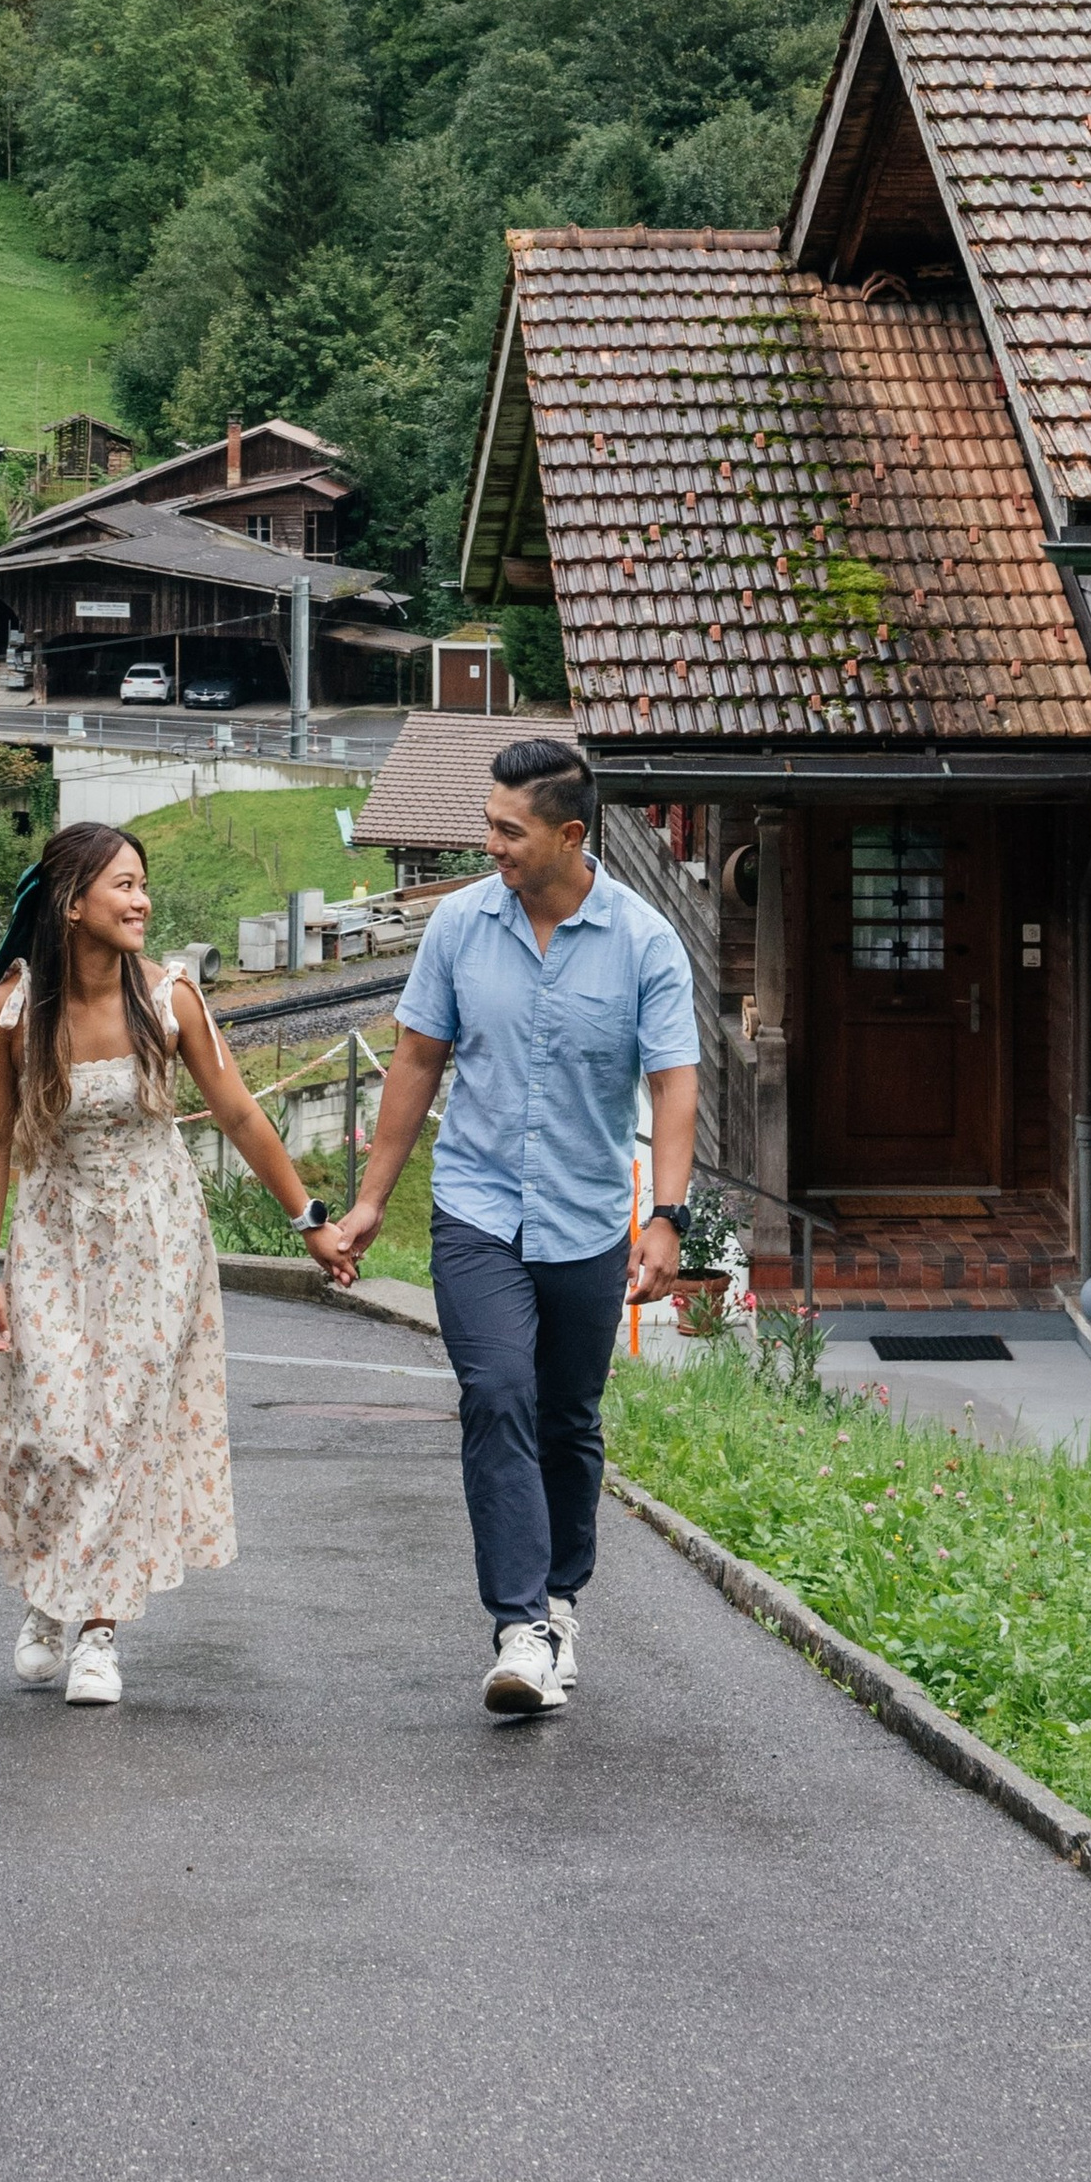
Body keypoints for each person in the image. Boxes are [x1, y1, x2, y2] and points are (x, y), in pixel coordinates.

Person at [326, 732, 700, 1718]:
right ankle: (519, 1624)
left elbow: (673, 1085)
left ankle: (560, 1599)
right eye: (485, 823)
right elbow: (414, 1062)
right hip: (477, 1212)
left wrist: (667, 1219)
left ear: (568, 835)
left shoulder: (642, 942)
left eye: (506, 829)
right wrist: (369, 1201)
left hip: (584, 1221)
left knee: (568, 1419)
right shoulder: (457, 927)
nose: (487, 843)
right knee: (496, 1393)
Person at [0, 819, 356, 1706]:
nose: (143, 902)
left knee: (123, 1431)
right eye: (124, 886)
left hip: (156, 1239)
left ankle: (98, 1628)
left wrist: (311, 1221)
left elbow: (244, 1117)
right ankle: (48, 1592)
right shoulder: (11, 1013)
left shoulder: (171, 999)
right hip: (52, 1234)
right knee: (53, 1431)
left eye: (144, 884)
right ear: (72, 904)